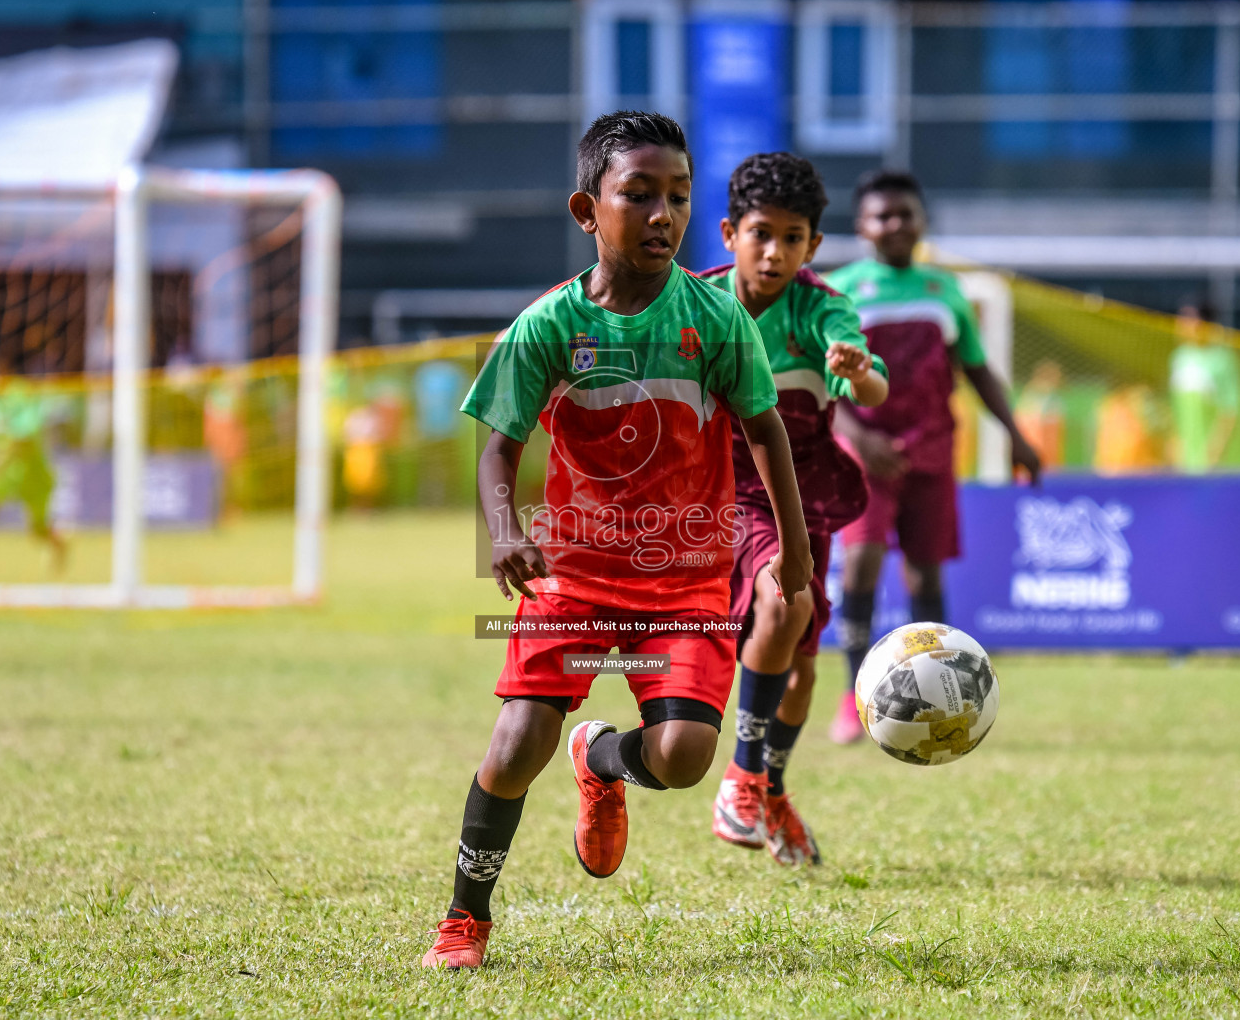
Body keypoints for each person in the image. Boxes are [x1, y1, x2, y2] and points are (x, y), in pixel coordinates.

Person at [420, 111, 812, 970]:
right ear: (586, 210)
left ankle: (602, 760)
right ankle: (464, 919)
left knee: (682, 759)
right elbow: (499, 446)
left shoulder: (713, 318)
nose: (663, 213)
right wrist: (502, 533)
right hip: (577, 575)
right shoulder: (547, 327)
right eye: (638, 195)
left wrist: (796, 553)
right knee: (516, 745)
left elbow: (766, 432)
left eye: (677, 195)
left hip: (688, 580)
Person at [696, 153, 888, 866]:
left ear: (812, 244)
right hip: (717, 496)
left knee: (802, 669)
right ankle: (742, 778)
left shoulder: (823, 308)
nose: (774, 251)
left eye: (793, 237)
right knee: (784, 605)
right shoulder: (695, 303)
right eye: (760, 233)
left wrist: (859, 368)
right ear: (728, 233)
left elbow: (874, 390)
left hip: (802, 495)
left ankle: (768, 790)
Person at [824, 171, 1041, 745]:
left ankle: (939, 698)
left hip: (932, 450)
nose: (894, 224)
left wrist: (1016, 434)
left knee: (926, 577)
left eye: (905, 213)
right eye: (882, 215)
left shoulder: (946, 291)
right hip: (866, 455)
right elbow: (823, 383)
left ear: (922, 221)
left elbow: (975, 367)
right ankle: (853, 698)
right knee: (864, 566)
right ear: (862, 226)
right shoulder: (839, 291)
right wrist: (859, 438)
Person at [0, 343, 66, 582]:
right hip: (3, 471)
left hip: (32, 470)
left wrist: (3, 454)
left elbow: (28, 434)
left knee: (38, 530)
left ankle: (59, 544)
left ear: (1, 364)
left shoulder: (20, 391)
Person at [1167, 299, 1240, 474]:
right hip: (1189, 462)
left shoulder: (1223, 359)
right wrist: (1176, 445)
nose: (1181, 325)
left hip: (1220, 463)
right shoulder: (1180, 358)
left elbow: (1230, 412)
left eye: (1188, 319)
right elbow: (1177, 410)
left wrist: (1215, 452)